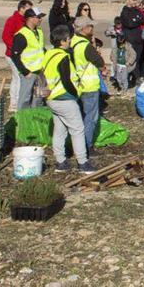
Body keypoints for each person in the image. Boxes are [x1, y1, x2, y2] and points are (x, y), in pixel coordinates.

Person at [41, 26, 93, 174]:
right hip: (64, 99)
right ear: (63, 41)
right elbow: (66, 80)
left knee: (59, 130)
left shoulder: (48, 54)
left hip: (51, 99)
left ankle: (60, 162)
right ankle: (83, 163)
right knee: (77, 129)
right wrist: (75, 94)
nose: (70, 41)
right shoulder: (63, 57)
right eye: (68, 39)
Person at [71, 17, 106, 155]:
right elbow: (99, 61)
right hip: (89, 86)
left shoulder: (73, 42)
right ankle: (87, 146)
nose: (92, 29)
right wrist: (103, 69)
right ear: (84, 29)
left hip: (77, 85)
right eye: (90, 26)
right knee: (90, 118)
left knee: (78, 117)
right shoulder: (86, 46)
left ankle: (76, 144)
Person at [1, 0, 35, 112]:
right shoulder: (12, 20)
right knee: (19, 78)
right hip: (13, 55)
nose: (30, 11)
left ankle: (15, 102)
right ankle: (16, 103)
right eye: (28, 8)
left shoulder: (25, 21)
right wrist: (16, 48)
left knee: (16, 78)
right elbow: (6, 37)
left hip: (22, 56)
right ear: (21, 9)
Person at [11, 8, 47, 109]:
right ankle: (22, 122)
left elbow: (40, 49)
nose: (41, 19)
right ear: (30, 18)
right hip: (29, 73)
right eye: (38, 17)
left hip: (40, 72)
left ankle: (35, 122)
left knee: (39, 98)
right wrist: (25, 72)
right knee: (24, 99)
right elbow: (14, 55)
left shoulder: (39, 31)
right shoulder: (21, 35)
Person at [119, 0, 144, 88]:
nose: (135, 2)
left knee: (139, 59)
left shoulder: (136, 10)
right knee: (132, 59)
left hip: (139, 39)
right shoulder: (124, 11)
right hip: (130, 40)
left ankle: (139, 77)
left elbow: (143, 19)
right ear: (128, 0)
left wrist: (136, 19)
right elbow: (129, 23)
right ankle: (132, 79)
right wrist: (136, 20)